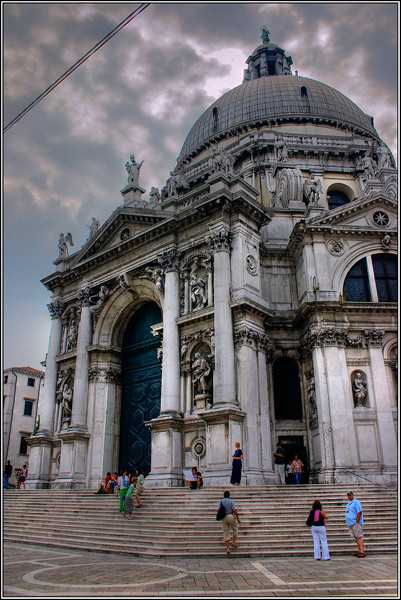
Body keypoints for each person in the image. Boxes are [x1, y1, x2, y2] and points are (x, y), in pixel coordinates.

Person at [217, 491, 241, 555]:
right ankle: (233, 542)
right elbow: (234, 510)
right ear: (229, 495)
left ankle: (227, 548)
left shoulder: (221, 501)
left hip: (224, 517)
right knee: (235, 529)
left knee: (226, 532)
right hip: (230, 515)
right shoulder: (231, 501)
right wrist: (238, 518)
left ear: (224, 495)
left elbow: (218, 510)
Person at [346, 491, 365, 557]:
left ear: (353, 495)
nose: (349, 496)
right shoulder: (349, 503)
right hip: (350, 523)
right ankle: (359, 550)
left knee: (359, 536)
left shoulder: (356, 502)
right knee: (356, 537)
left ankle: (362, 551)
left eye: (350, 495)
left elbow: (359, 512)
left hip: (355, 522)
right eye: (348, 495)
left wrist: (357, 521)